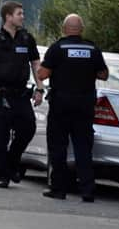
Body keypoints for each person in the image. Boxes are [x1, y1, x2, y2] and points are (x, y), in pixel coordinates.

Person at [37, 14, 109, 202]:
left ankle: (59, 189)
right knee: (83, 148)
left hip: (61, 105)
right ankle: (87, 190)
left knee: (58, 147)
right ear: (82, 29)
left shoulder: (57, 48)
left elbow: (43, 74)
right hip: (84, 106)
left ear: (64, 29)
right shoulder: (93, 49)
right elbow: (103, 75)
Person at [0, 1, 45, 188]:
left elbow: (36, 64)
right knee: (0, 136)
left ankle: (12, 161)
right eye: (19, 14)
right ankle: (3, 175)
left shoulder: (26, 38)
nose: (23, 17)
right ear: (8, 16)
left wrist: (40, 88)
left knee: (28, 128)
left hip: (20, 94)